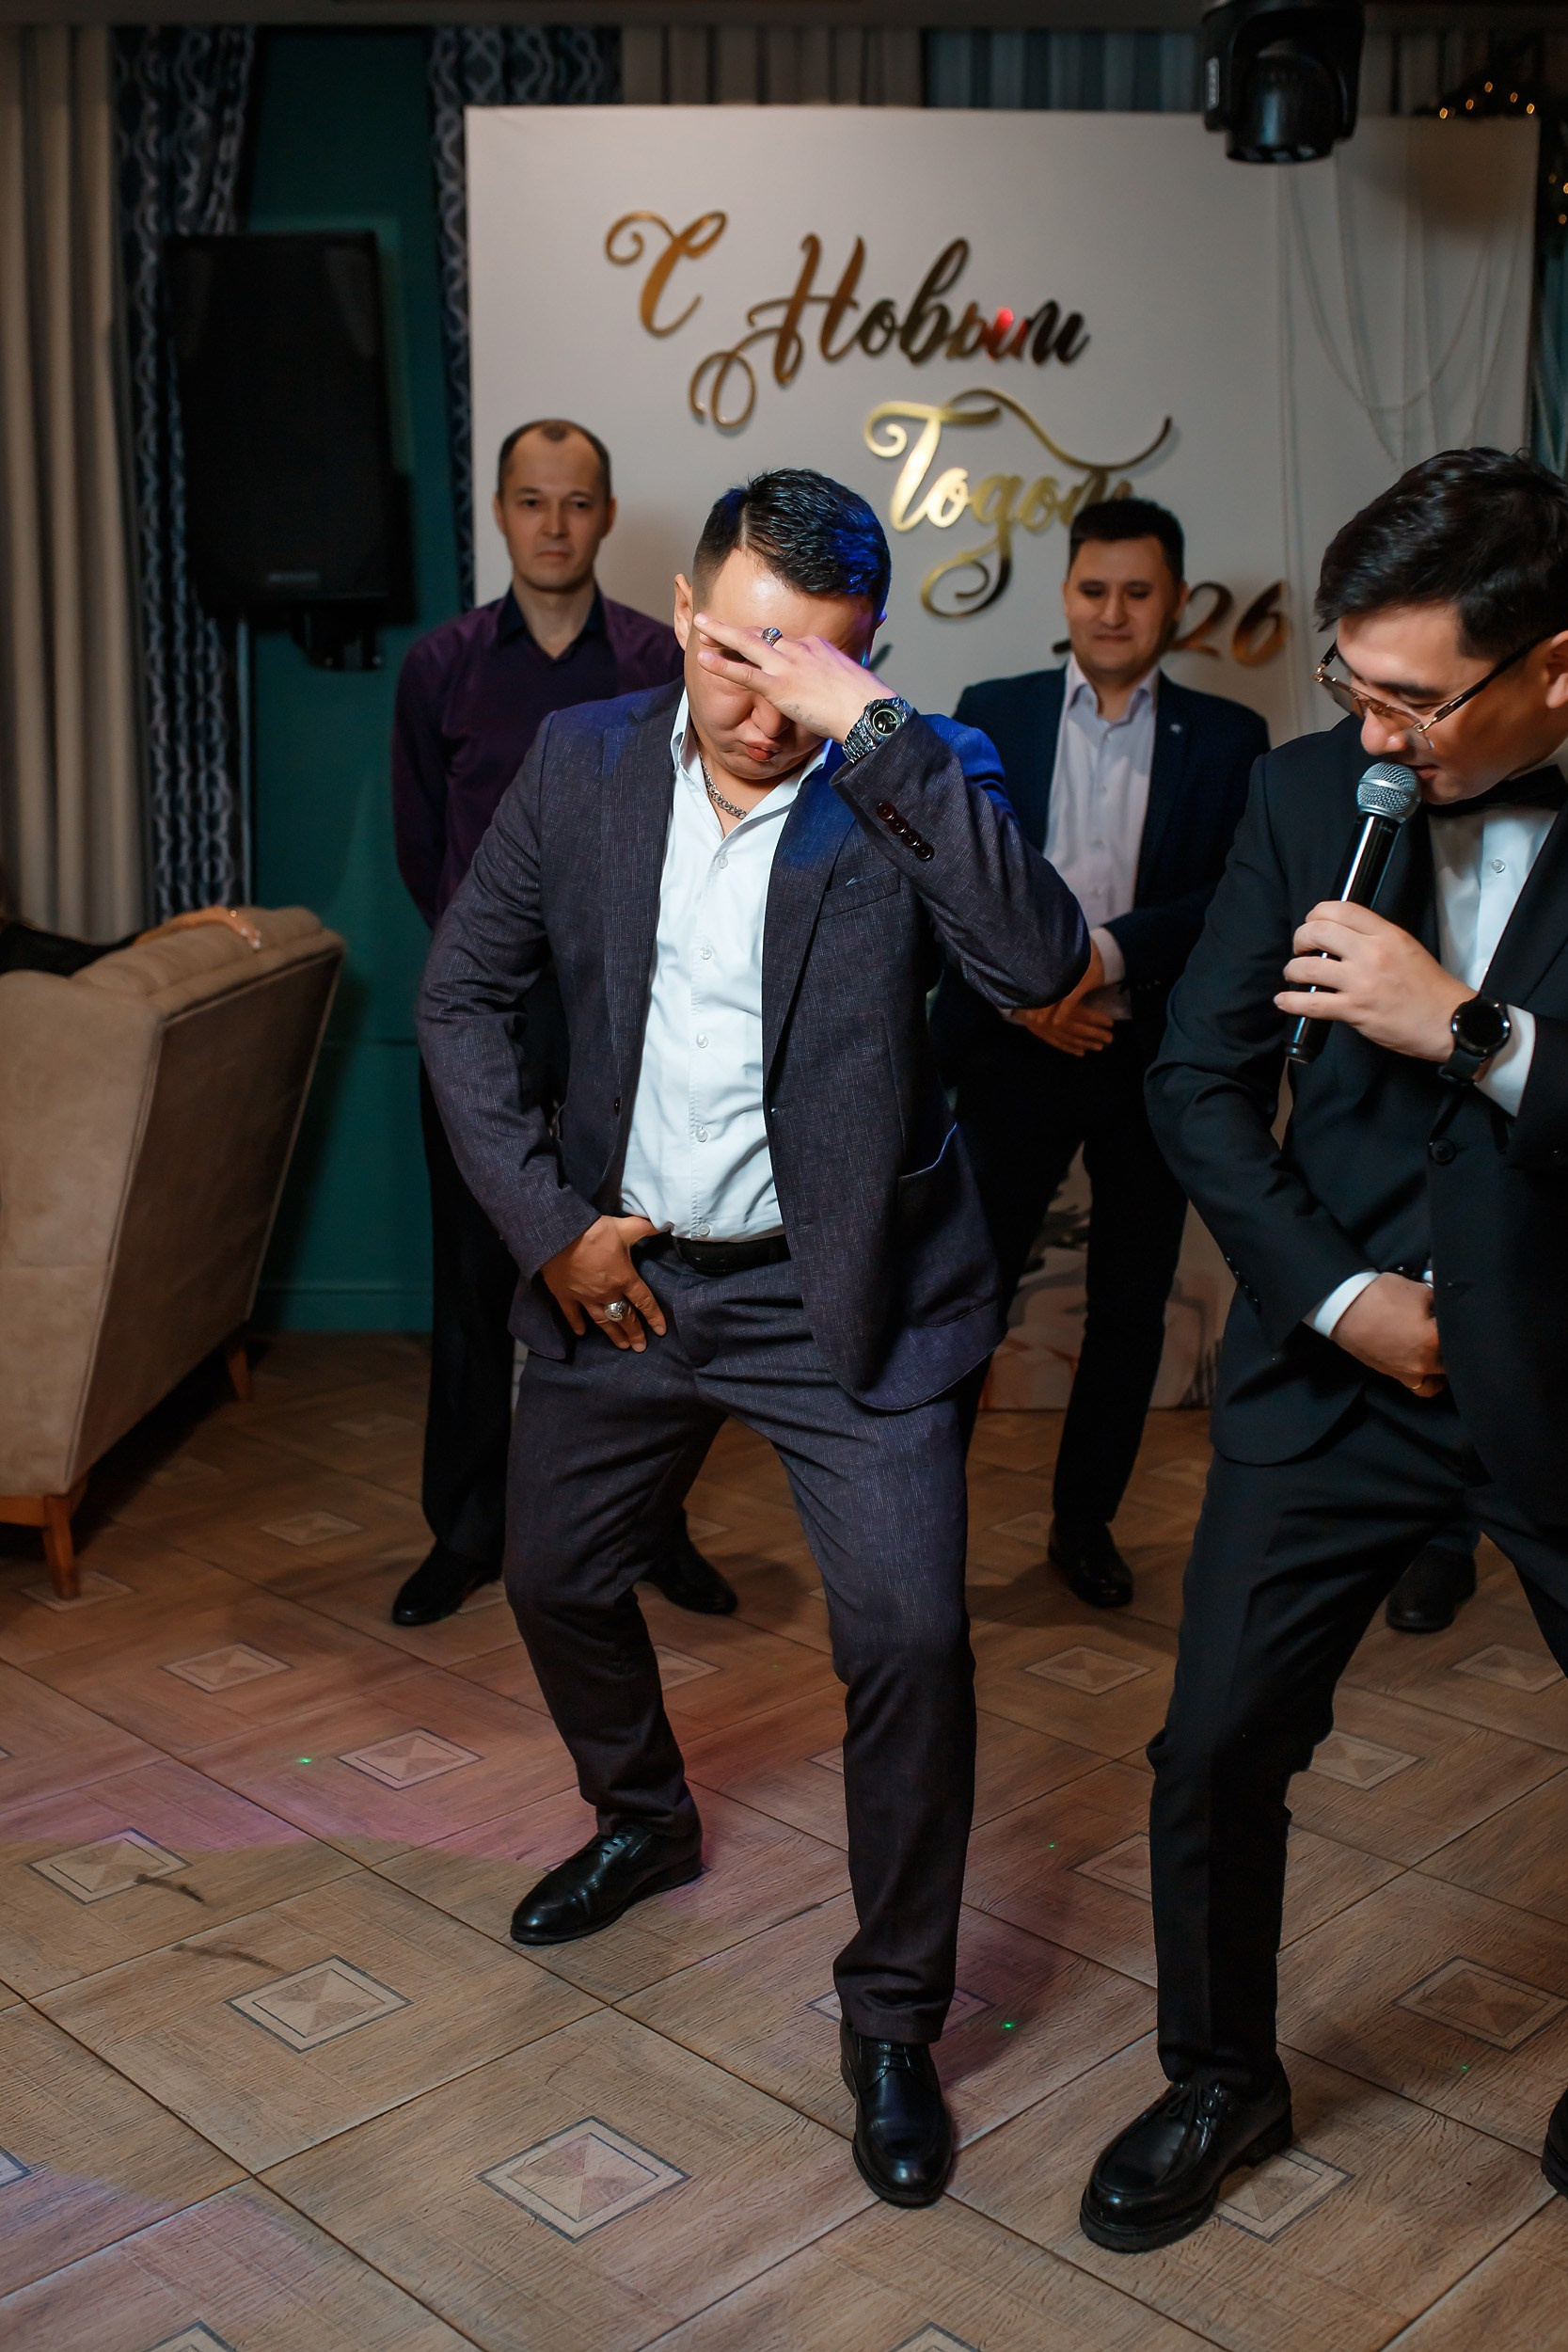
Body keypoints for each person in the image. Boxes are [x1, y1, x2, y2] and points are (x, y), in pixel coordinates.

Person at [418, 468, 1086, 2207]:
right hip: (625, 1273)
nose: (762, 703)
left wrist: (872, 730)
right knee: (552, 1576)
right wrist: (548, 1225)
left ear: (866, 662)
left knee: (908, 1644)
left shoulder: (918, 771)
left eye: (813, 668)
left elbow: (1038, 967)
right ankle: (643, 1814)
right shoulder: (577, 763)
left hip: (842, 1293)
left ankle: (892, 2016)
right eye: (738, 653)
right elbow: (460, 998)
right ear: (681, 609)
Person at [1081, 447, 1568, 2253]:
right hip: (1339, 1366)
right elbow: (1193, 1085)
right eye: (1349, 686)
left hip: (1561, 1371)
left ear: (1552, 669)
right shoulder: (1305, 793)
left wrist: (1472, 1029)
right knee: (1211, 1745)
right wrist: (1344, 1298)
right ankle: (1220, 2075)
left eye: (1412, 702)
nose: (1372, 735)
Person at [391, 417, 734, 1627]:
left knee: (642, 1270)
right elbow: (421, 846)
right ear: (500, 512)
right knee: (471, 1279)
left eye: (576, 502)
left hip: (621, 1015)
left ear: (605, 514)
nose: (553, 523)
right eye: (531, 501)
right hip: (482, 1017)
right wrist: (487, 970)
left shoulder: (652, 656)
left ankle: (652, 1528)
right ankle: (465, 1531)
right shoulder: (440, 667)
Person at [932, 499, 1267, 1608]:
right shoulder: (993, 713)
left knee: (1127, 1309)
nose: (1111, 611)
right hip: (1010, 1050)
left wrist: (1101, 959)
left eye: (1135, 591)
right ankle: (916, 1521)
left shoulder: (1227, 737)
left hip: (1144, 1060)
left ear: (1173, 601)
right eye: (1092, 589)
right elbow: (950, 877)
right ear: (1064, 593)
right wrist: (1025, 997)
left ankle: (1083, 1527)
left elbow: (1230, 897)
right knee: (965, 1297)